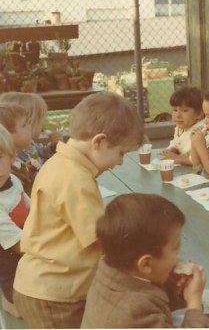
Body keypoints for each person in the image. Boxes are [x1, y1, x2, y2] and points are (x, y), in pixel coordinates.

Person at [13, 92, 145, 328]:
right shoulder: (75, 178)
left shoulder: (61, 164)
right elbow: (103, 238)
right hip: (55, 296)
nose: (121, 161)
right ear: (99, 142)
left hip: (47, 287)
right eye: (121, 152)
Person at [81, 193, 209, 328]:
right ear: (146, 264)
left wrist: (174, 289)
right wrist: (194, 303)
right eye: (175, 249)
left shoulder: (110, 269)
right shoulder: (134, 312)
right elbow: (147, 308)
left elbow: (151, 297)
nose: (178, 257)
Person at [0, 92, 63, 193]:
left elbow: (42, 154)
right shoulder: (13, 164)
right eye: (25, 124)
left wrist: (54, 145)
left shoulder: (29, 146)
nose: (42, 124)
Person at [0, 124, 29, 318]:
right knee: (27, 307)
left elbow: (31, 207)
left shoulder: (13, 181)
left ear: (12, 157)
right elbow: (19, 245)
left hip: (25, 242)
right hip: (10, 259)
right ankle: (8, 298)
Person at [159, 86, 209, 166]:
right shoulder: (181, 128)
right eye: (175, 110)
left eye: (184, 111)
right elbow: (176, 143)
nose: (178, 115)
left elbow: (197, 160)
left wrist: (177, 158)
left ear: (199, 114)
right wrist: (173, 149)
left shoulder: (201, 131)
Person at [0, 102, 34, 195]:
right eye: (24, 125)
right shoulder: (7, 174)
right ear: (6, 133)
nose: (30, 128)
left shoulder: (19, 163)